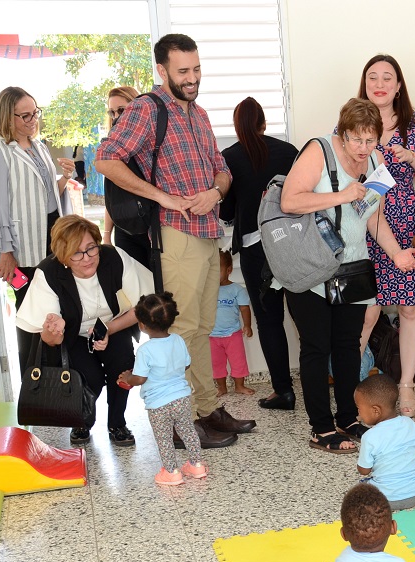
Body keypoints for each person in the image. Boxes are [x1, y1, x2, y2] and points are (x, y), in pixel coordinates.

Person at [96, 33, 253, 449]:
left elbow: (222, 169)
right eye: (183, 71)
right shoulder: (147, 110)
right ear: (162, 71)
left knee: (199, 328)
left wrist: (216, 192)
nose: (193, 77)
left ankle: (206, 409)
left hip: (206, 232)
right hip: (174, 234)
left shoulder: (199, 114)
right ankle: (184, 427)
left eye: (197, 69)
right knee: (181, 330)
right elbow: (105, 157)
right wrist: (161, 196)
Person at [279, 98, 415, 454]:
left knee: (347, 346)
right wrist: (342, 195)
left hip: (353, 267)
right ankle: (321, 428)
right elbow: (289, 202)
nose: (363, 149)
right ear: (341, 135)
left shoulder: (376, 160)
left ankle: (347, 417)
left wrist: (396, 253)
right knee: (316, 347)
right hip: (311, 267)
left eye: (370, 140)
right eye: (356, 140)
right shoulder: (318, 151)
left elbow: (372, 217)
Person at [14, 215, 152, 446]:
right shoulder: (49, 272)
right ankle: (81, 421)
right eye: (77, 253)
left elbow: (142, 305)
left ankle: (117, 423)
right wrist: (52, 333)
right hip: (73, 335)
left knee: (123, 363)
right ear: (63, 255)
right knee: (89, 378)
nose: (87, 258)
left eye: (91, 249)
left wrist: (109, 329)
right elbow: (44, 336)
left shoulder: (114, 258)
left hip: (114, 324)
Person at [353, 55, 415, 417]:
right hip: (364, 220)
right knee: (366, 312)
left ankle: (405, 387)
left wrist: (410, 155)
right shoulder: (353, 120)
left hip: (406, 221)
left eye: (388, 77)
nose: (380, 83)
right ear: (365, 83)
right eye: (373, 77)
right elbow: (343, 169)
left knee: (410, 308)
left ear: (399, 85)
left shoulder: (413, 121)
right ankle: (351, 383)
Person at [220, 97, 299, 410]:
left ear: (238, 127)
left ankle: (284, 391)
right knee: (305, 320)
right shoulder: (288, 151)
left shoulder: (230, 158)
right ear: (264, 123)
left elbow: (226, 210)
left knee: (269, 321)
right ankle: (316, 386)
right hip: (292, 246)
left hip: (255, 249)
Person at [0, 86, 74, 311]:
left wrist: (65, 177)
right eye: (25, 115)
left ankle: (55, 347)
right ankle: (30, 348)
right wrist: (6, 252)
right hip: (24, 242)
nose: (33, 119)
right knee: (30, 306)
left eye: (35, 112)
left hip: (53, 234)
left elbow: (48, 195)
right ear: (7, 116)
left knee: (58, 301)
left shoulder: (39, 147)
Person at [117, 293, 206, 486]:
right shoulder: (178, 340)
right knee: (188, 432)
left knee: (164, 439)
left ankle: (172, 472)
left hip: (158, 405)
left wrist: (127, 378)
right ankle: (197, 465)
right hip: (181, 399)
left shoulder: (145, 350)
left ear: (142, 325)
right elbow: (185, 366)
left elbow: (140, 378)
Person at [353, 374, 415, 510]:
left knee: (360, 487)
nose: (358, 413)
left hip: (385, 500)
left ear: (376, 410)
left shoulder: (370, 437)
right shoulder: (410, 423)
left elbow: (364, 470)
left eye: (359, 408)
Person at [100, 85, 151, 268]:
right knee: (135, 291)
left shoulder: (150, 142)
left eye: (121, 110)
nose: (116, 117)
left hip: (152, 228)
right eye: (112, 112)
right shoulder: (110, 149)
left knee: (161, 289)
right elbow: (111, 197)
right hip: (124, 230)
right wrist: (106, 235)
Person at [211, 251, 254, 397]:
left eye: (217, 270)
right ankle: (221, 388)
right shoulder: (207, 290)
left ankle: (239, 386)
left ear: (229, 270)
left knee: (238, 361)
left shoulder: (236, 289)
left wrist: (247, 325)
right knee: (216, 364)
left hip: (233, 334)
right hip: (212, 336)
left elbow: (244, 308)